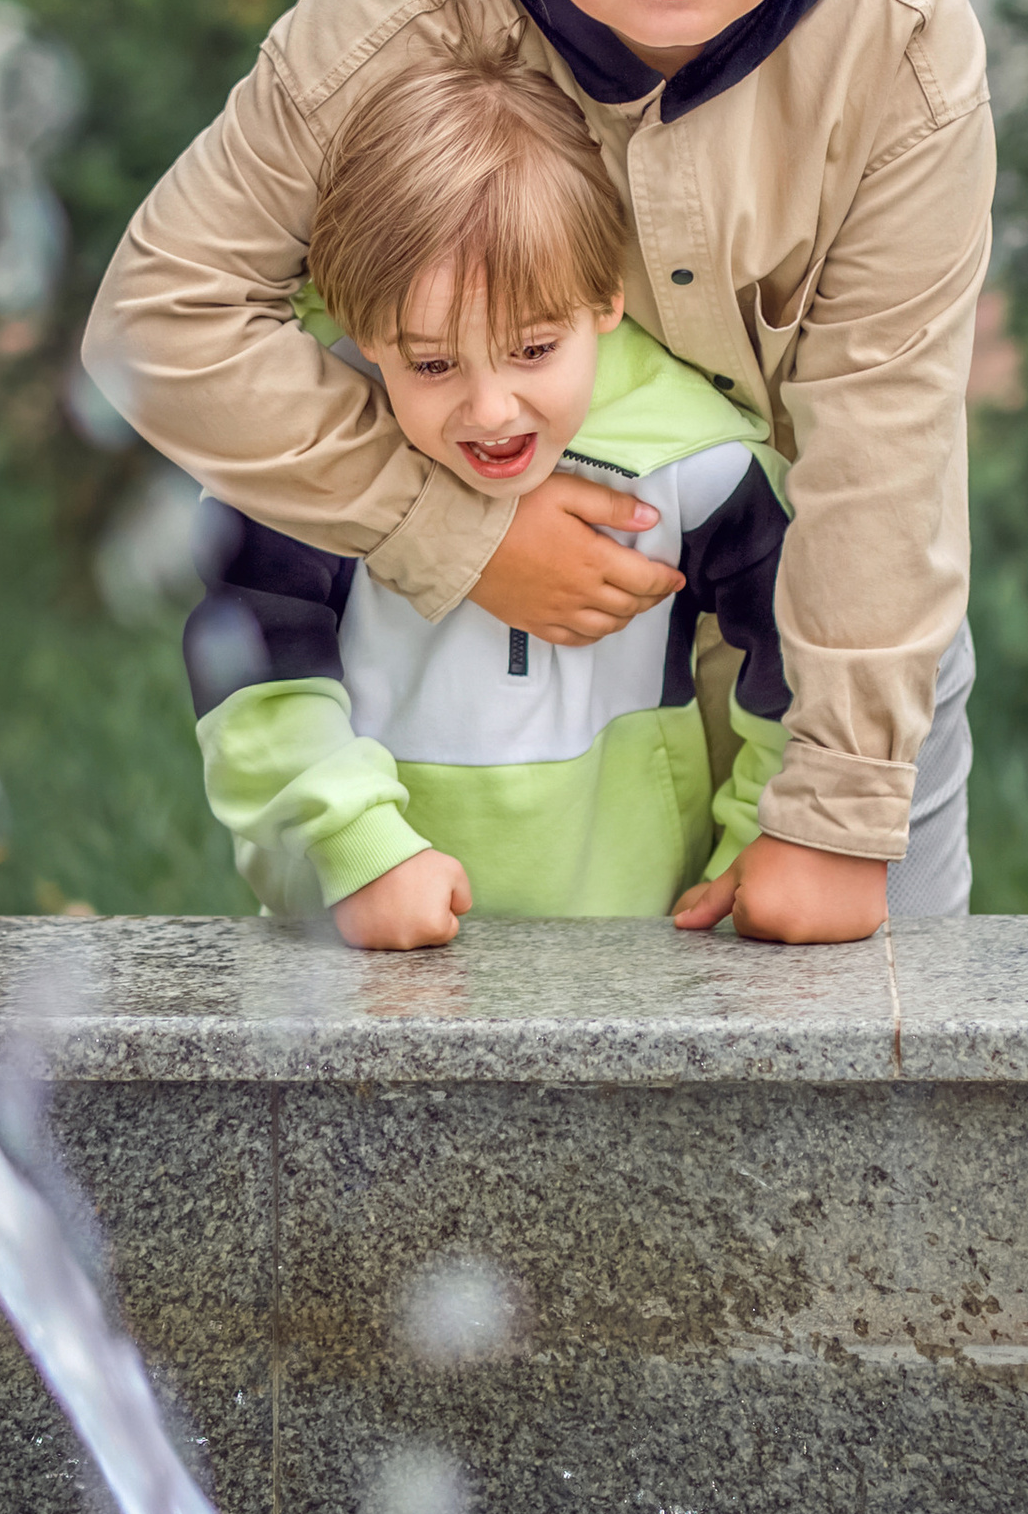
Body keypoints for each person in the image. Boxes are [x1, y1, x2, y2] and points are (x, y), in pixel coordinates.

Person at [86, 0, 988, 941]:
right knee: (462, 1015)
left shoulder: (905, 39)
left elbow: (886, 434)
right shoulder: (401, 10)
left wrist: (835, 805)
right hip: (471, 645)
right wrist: (456, 529)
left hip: (832, 642)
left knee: (861, 1002)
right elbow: (159, 320)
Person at [184, 59, 795, 947]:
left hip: (635, 948)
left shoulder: (696, 462)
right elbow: (254, 678)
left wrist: (756, 843)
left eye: (533, 349)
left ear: (606, 297)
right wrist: (357, 852)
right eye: (433, 363)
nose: (492, 408)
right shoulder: (309, 457)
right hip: (368, 950)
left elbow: (798, 666)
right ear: (362, 328)